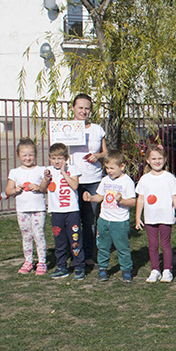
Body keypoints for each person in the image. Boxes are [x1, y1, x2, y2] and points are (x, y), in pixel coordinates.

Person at [83, 151, 136, 282]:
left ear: (122, 166)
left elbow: (133, 202)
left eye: (112, 168)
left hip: (119, 221)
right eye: (107, 168)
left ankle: (126, 269)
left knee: (122, 247)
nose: (109, 171)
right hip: (104, 219)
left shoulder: (127, 181)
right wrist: (91, 198)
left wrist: (122, 201)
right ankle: (102, 268)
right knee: (102, 246)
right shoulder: (105, 180)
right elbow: (100, 196)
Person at [135, 146, 176, 283]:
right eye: (154, 158)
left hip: (166, 216)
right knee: (153, 245)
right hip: (150, 217)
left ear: (165, 160)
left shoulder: (169, 177)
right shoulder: (144, 179)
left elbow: (175, 197)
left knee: (165, 244)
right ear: (148, 160)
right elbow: (141, 199)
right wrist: (138, 217)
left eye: (160, 158)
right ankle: (155, 270)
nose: (157, 161)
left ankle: (167, 270)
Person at [69, 93, 108, 264]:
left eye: (87, 108)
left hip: (93, 179)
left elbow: (105, 153)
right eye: (80, 108)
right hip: (72, 180)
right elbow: (57, 152)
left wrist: (97, 155)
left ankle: (89, 254)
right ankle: (74, 254)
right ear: (73, 108)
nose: (84, 111)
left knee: (90, 219)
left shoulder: (97, 129)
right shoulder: (66, 128)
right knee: (72, 218)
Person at [6, 139, 48, 276]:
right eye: (24, 155)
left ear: (35, 155)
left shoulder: (41, 170)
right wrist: (16, 189)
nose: (27, 158)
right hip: (22, 210)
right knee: (26, 236)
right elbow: (8, 191)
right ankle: (28, 261)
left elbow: (45, 189)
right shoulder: (14, 172)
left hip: (38, 209)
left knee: (39, 235)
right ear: (18, 156)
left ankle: (42, 262)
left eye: (30, 154)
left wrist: (39, 187)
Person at [44, 143, 85, 280]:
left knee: (75, 240)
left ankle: (79, 266)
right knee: (59, 241)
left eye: (60, 158)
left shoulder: (72, 169)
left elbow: (74, 185)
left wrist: (63, 173)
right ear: (50, 158)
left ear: (66, 158)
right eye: (54, 158)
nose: (57, 161)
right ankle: (61, 266)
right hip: (56, 212)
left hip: (71, 212)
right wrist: (45, 179)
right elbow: (43, 188)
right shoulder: (48, 170)